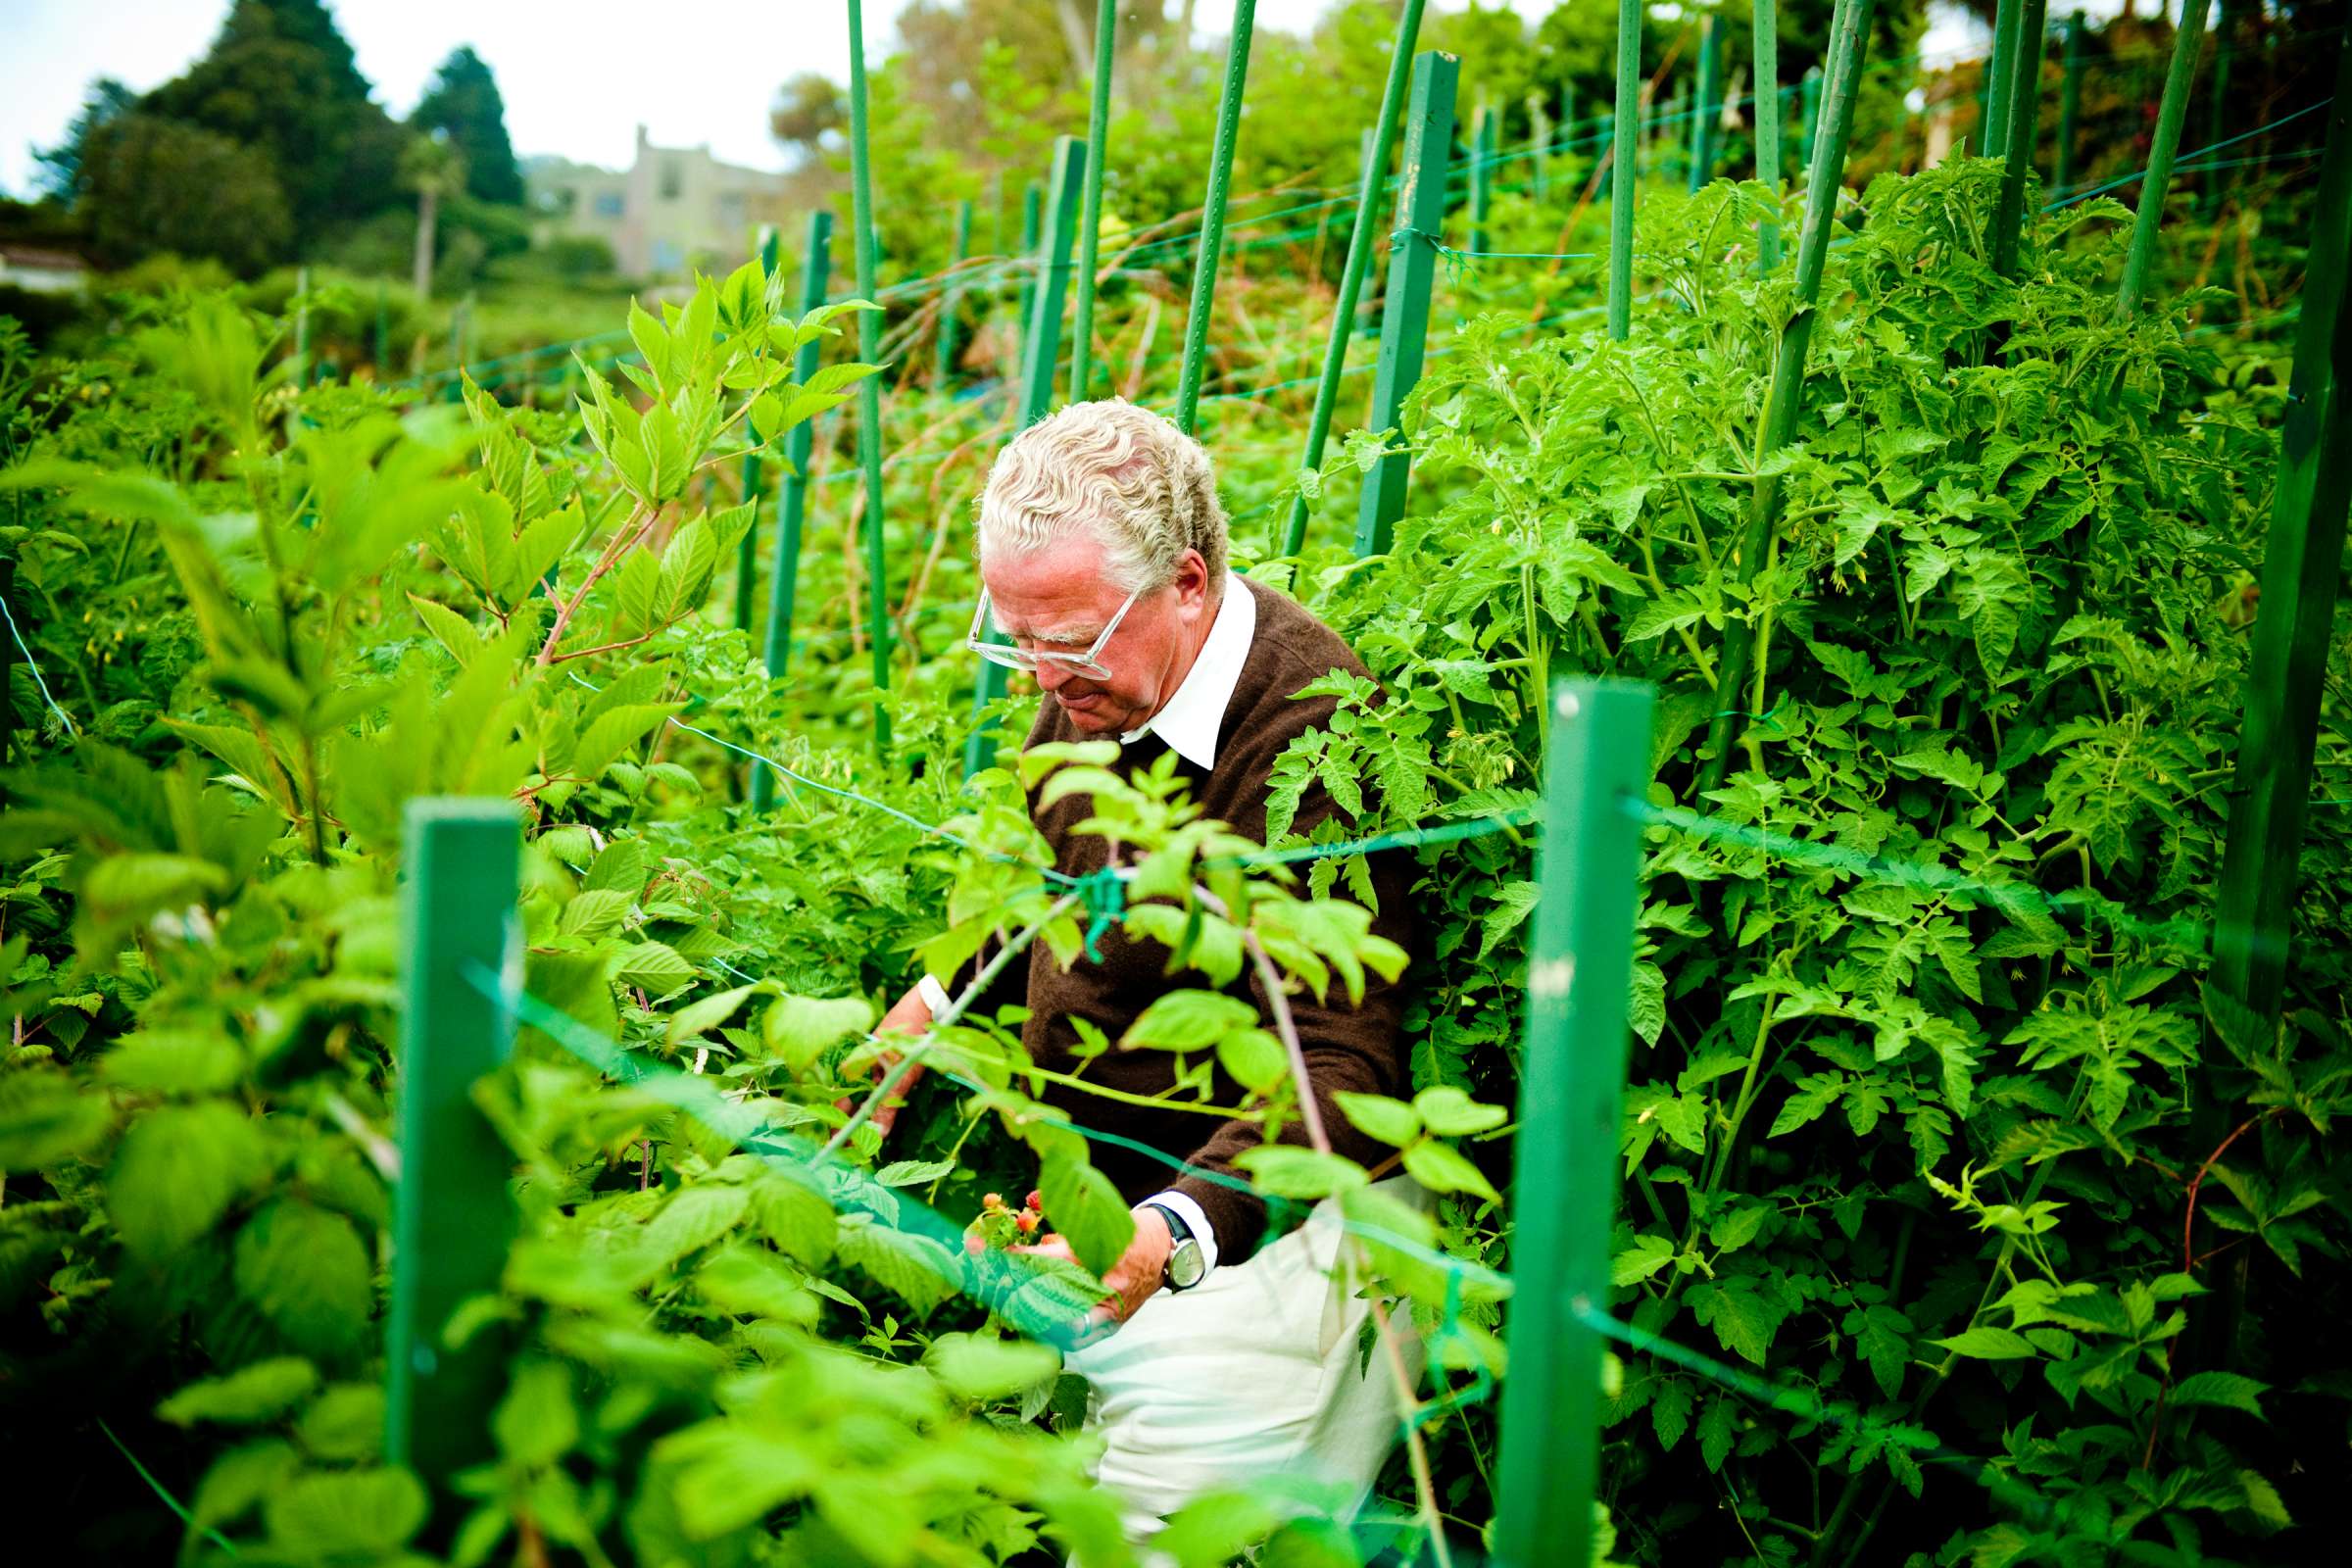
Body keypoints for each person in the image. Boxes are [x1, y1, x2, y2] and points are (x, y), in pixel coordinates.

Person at [867, 399, 1424, 1536]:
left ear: (1185, 581)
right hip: (1104, 1205)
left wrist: (1164, 1236)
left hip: (1260, 1238)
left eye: (1067, 639)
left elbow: (1343, 1060)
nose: (1038, 677)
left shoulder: (1312, 739)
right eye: (1015, 637)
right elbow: (1066, 894)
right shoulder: (1099, 686)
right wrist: (920, 1016)